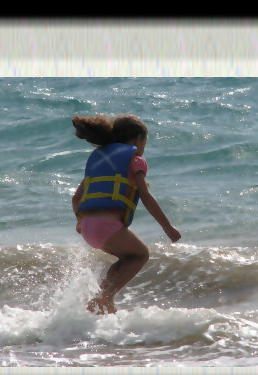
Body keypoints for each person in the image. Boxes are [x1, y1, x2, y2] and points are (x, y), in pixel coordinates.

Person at [71, 114, 181, 315]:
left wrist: (80, 222)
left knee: (126, 258)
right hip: (107, 227)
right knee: (141, 255)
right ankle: (105, 297)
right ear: (139, 139)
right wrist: (168, 228)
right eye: (145, 142)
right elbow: (146, 196)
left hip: (87, 227)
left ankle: (100, 301)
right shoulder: (135, 160)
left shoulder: (100, 159)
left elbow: (76, 198)